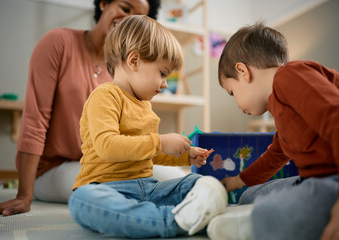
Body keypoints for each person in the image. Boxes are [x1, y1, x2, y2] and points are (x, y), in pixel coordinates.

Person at [0, 0, 166, 218]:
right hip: (50, 171)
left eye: (135, 19)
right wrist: (23, 195)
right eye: (125, 9)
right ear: (104, 3)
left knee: (168, 175)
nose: (126, 21)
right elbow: (35, 121)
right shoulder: (59, 42)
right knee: (139, 183)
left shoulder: (125, 69)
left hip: (98, 162)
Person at [68, 15, 228, 238]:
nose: (164, 84)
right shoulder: (104, 96)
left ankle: (173, 214)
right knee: (81, 201)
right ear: (134, 61)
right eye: (162, 73)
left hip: (148, 189)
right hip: (106, 187)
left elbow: (149, 154)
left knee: (197, 182)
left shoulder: (145, 107)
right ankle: (170, 220)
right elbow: (107, 146)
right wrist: (161, 141)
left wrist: (185, 157)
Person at [206, 23, 339, 240]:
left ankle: (251, 227)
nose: (237, 103)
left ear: (243, 72)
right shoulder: (280, 104)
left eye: (232, 92)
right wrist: (238, 180)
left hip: (332, 180)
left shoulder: (290, 76)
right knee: (248, 196)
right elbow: (276, 153)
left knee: (268, 213)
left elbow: (335, 118)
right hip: (313, 180)